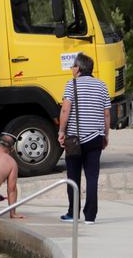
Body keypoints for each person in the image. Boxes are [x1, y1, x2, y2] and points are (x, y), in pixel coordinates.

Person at [57, 52, 109, 225]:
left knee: (73, 176)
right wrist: (106, 135)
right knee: (92, 177)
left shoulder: (71, 85)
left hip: (74, 139)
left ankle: (73, 214)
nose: (72, 69)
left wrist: (61, 132)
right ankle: (90, 216)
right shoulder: (102, 85)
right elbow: (106, 114)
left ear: (78, 68)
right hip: (96, 137)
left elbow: (65, 110)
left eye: (73, 66)